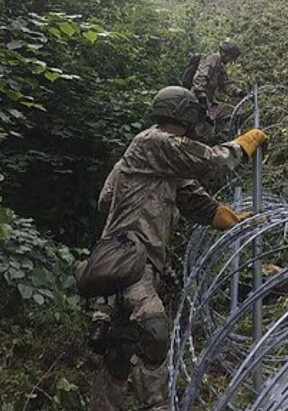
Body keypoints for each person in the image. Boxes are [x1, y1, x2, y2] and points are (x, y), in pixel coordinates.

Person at [88, 86, 268, 411]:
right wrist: (244, 145)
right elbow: (212, 161)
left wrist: (227, 217)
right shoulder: (154, 142)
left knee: (122, 342)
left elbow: (189, 199)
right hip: (130, 259)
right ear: (186, 116)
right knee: (154, 332)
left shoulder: (156, 157)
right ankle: (156, 405)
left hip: (133, 260)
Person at [187, 41, 247, 144]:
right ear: (225, 53)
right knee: (204, 132)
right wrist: (201, 97)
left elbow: (225, 84)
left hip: (209, 103)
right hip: (198, 102)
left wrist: (239, 92)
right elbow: (200, 78)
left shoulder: (220, 66)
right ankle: (206, 148)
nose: (231, 61)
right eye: (231, 57)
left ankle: (220, 139)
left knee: (234, 113)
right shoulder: (211, 59)